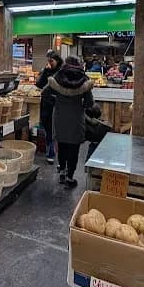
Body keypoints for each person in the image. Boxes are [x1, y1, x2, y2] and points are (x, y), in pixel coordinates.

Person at [42, 55, 94, 188]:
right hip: (76, 119)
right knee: (74, 149)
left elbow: (45, 93)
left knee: (62, 146)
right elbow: (89, 103)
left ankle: (62, 174)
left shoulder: (58, 77)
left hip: (60, 117)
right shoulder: (84, 80)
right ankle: (70, 178)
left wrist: (56, 100)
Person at [35, 49, 63, 163]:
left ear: (57, 60)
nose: (50, 63)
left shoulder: (62, 72)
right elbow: (39, 84)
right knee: (47, 127)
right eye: (49, 61)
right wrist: (45, 72)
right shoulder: (47, 70)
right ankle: (49, 150)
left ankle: (52, 152)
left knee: (54, 129)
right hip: (46, 103)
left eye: (51, 61)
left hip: (57, 104)